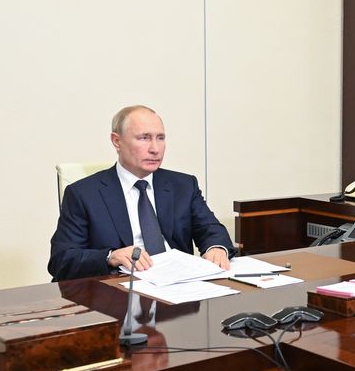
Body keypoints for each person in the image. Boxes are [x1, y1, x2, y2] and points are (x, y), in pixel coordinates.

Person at [49, 105, 236, 281]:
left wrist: (216, 248)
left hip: (179, 287)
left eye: (160, 138)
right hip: (121, 289)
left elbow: (211, 229)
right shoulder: (83, 194)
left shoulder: (184, 185)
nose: (155, 149)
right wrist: (110, 257)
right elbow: (62, 259)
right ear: (117, 141)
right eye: (144, 138)